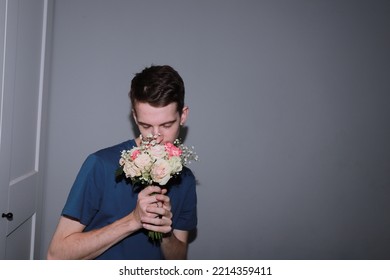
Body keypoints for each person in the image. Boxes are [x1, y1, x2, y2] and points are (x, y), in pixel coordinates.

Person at [47, 65, 197, 260]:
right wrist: (133, 221)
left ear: (183, 116)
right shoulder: (100, 165)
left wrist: (165, 234)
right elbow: (55, 256)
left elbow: (178, 260)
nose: (156, 136)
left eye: (167, 125)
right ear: (135, 117)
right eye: (146, 125)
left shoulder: (186, 179)